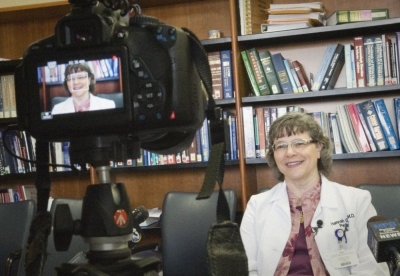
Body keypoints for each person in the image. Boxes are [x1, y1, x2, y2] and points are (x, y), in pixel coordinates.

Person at [240, 111, 389, 275]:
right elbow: (246, 268)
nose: (290, 152)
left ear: (318, 148)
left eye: (299, 143)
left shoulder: (357, 201)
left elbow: (372, 268)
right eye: (281, 145)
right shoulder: (256, 205)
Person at [51, 63, 115, 115]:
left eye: (80, 77)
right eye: (71, 79)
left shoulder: (108, 105)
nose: (76, 82)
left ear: (89, 80)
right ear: (66, 83)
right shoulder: (57, 110)